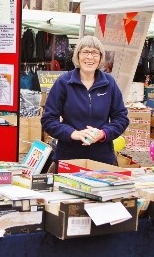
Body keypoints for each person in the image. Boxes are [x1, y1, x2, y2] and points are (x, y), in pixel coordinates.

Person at [41, 35, 129, 168]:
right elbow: (48, 120)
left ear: (100, 57)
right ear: (77, 56)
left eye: (94, 53)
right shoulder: (64, 82)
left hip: (102, 159)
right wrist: (73, 134)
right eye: (85, 52)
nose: (89, 57)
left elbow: (121, 118)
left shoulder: (109, 83)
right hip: (69, 158)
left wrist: (103, 133)